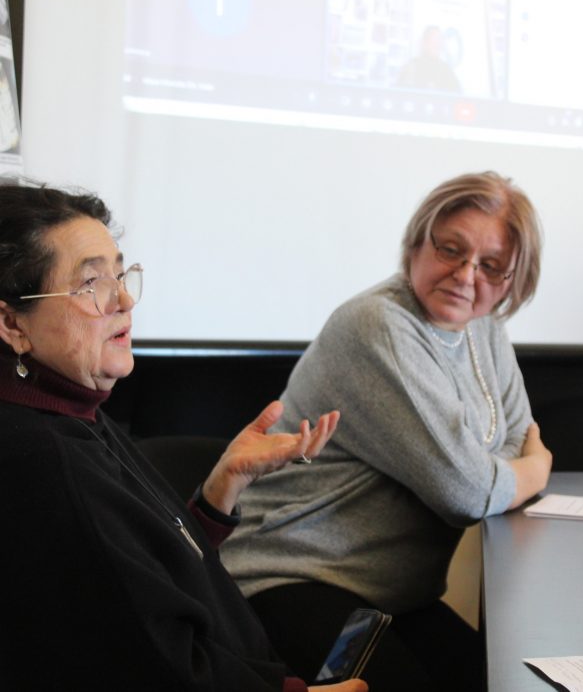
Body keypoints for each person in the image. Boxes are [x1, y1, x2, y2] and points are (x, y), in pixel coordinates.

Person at [0, 179, 368, 692]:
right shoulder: (42, 461)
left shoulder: (72, 409)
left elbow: (141, 575)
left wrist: (222, 488)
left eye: (121, 274)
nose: (124, 299)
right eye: (91, 284)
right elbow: (162, 667)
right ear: (12, 324)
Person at [220, 171, 554, 691]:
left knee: (508, 682)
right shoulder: (379, 325)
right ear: (417, 243)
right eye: (450, 249)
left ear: (513, 280)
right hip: (293, 577)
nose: (466, 275)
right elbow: (468, 492)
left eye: (491, 266)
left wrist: (495, 468)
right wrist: (536, 469)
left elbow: (513, 435)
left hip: (393, 597)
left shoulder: (484, 327)